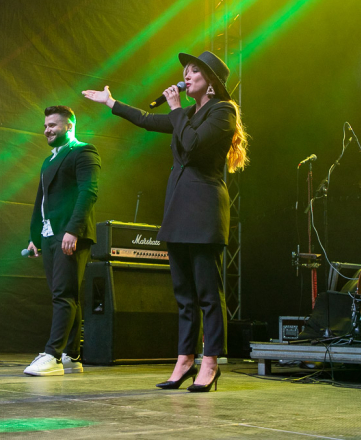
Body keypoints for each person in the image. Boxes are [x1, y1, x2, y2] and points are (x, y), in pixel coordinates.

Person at [82, 51, 248, 392]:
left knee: (207, 294)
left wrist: (174, 109)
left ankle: (211, 363)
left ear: (212, 82)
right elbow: (145, 119)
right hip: (178, 208)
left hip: (204, 210)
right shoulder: (185, 114)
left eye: (194, 71)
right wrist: (112, 103)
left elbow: (193, 145)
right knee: (184, 294)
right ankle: (184, 360)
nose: (186, 75)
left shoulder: (223, 111)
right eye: (185, 70)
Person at [23, 106, 101, 376]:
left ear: (69, 126)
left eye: (53, 125)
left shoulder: (83, 151)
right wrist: (35, 237)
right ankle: (71, 355)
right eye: (45, 126)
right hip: (50, 234)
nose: (47, 130)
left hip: (70, 234)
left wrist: (73, 230)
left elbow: (88, 192)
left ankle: (53, 355)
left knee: (63, 295)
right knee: (67, 295)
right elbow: (41, 200)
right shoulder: (48, 160)